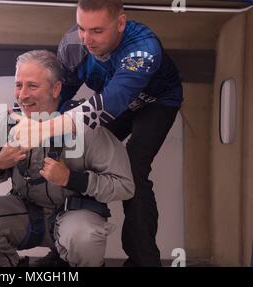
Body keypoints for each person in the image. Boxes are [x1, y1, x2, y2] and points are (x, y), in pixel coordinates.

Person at [10, 0, 183, 267]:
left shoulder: (143, 49)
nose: (87, 39)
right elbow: (59, 98)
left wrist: (44, 128)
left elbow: (109, 105)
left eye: (97, 31)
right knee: (74, 152)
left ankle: (144, 261)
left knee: (134, 170)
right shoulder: (72, 45)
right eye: (82, 28)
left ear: (121, 23)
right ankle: (64, 247)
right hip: (109, 102)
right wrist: (30, 123)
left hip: (155, 104)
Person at [0, 50, 134, 267]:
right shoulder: (6, 123)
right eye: (19, 85)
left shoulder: (86, 128)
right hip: (28, 215)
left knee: (84, 236)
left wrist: (72, 179)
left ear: (56, 88)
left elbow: (125, 186)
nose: (22, 95)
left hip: (75, 218)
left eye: (32, 86)